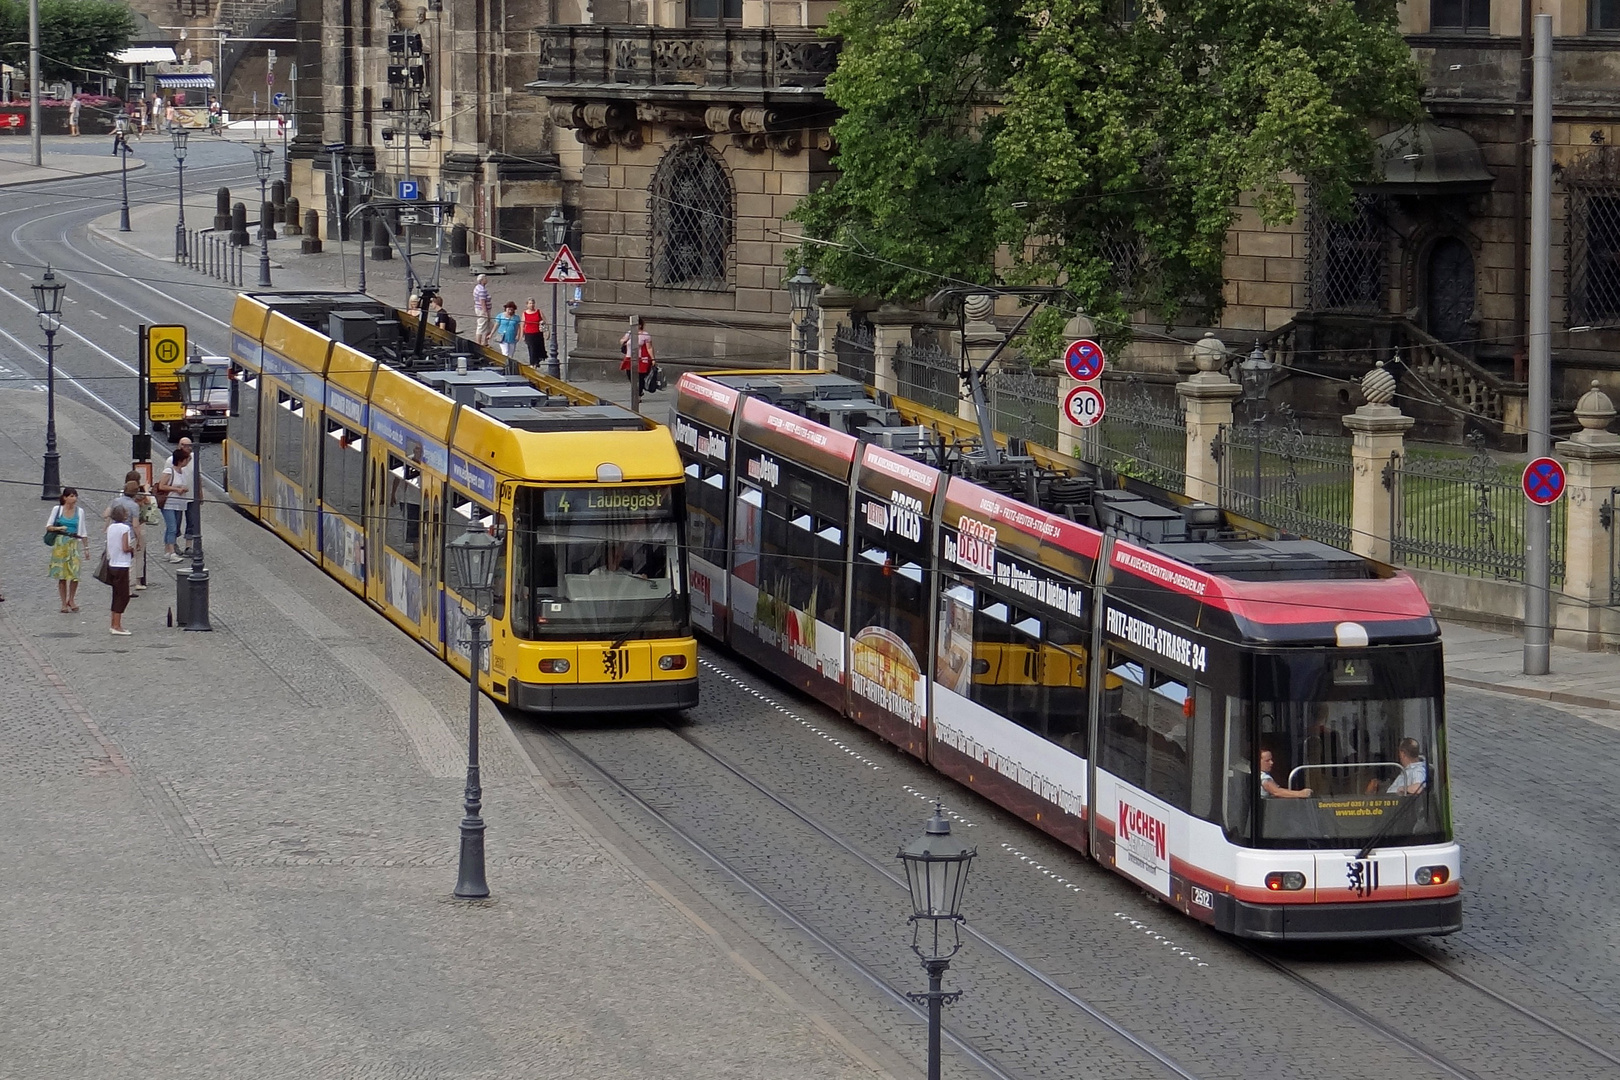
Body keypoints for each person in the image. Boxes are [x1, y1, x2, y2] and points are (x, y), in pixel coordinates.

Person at [46, 487, 90, 613]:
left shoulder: (80, 511)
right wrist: (59, 529)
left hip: (73, 544)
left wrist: (86, 548)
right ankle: (63, 602)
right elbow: (48, 526)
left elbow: (83, 530)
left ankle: (71, 599)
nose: (74, 498)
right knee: (62, 575)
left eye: (75, 496)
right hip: (60, 544)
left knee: (75, 574)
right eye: (71, 496)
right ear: (65, 497)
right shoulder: (57, 510)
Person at [157, 445, 194, 563]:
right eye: (186, 459)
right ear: (180, 460)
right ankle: (172, 552)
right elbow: (161, 486)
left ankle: (168, 551)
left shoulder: (182, 472)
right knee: (172, 527)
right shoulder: (169, 471)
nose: (188, 461)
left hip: (179, 504)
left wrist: (183, 488)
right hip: (169, 503)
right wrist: (176, 489)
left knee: (172, 527)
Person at [106, 504, 135, 636]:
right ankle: (117, 625)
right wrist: (131, 549)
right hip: (122, 564)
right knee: (123, 596)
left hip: (112, 563)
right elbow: (125, 547)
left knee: (115, 594)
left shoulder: (110, 527)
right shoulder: (124, 528)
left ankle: (113, 623)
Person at [620, 317, 656, 395]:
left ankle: (638, 394)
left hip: (641, 359)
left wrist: (653, 359)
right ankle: (637, 390)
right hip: (629, 357)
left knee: (640, 377)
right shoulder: (629, 333)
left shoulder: (645, 335)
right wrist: (624, 341)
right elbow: (622, 340)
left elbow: (649, 348)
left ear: (640, 325)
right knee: (630, 375)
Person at [521, 298, 545, 367]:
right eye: (530, 303)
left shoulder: (538, 311)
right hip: (529, 333)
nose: (531, 305)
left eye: (532, 303)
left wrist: (546, 330)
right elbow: (522, 325)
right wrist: (522, 336)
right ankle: (532, 363)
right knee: (531, 348)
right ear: (527, 305)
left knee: (537, 348)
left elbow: (544, 321)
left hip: (538, 333)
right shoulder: (525, 313)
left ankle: (536, 362)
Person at [472, 274, 493, 347]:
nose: (486, 279)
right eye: (485, 278)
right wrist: (485, 312)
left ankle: (485, 342)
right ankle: (479, 342)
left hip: (479, 309)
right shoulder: (482, 290)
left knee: (487, 326)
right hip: (482, 310)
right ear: (481, 280)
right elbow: (482, 302)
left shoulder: (478, 288)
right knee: (482, 326)